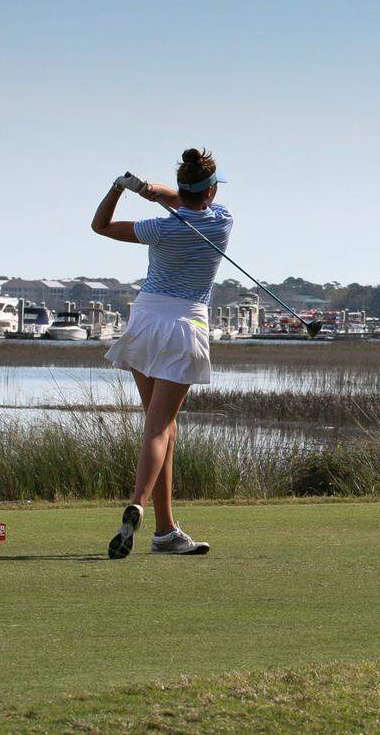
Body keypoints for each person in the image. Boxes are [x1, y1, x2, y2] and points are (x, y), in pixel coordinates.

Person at [90, 148, 233, 559]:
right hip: (184, 327)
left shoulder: (159, 228)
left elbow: (100, 226)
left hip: (145, 320)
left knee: (163, 428)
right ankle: (137, 502)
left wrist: (122, 188)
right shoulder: (221, 221)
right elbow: (187, 200)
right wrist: (156, 192)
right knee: (158, 429)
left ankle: (165, 531)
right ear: (210, 190)